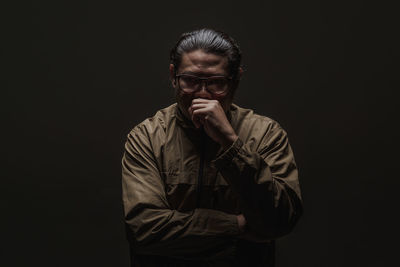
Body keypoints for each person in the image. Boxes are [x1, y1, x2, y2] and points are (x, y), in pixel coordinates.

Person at [121, 28, 303, 267]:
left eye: (216, 83)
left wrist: (231, 143)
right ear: (173, 75)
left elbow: (280, 220)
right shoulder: (146, 137)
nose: (203, 95)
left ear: (236, 79)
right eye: (191, 81)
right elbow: (143, 229)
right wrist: (236, 226)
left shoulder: (267, 134)